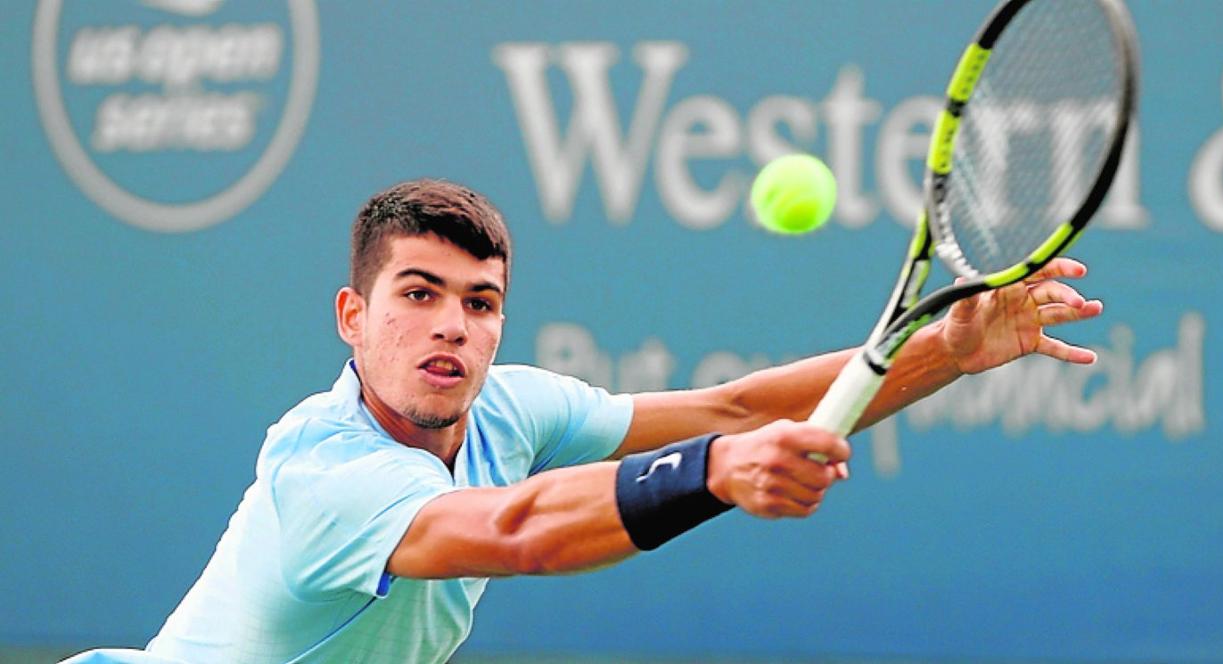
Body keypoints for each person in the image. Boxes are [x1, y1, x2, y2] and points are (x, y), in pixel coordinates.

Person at [65, 178, 1102, 664]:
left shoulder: (510, 404)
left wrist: (950, 352)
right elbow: (517, 532)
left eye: (477, 303)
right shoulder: (323, 469)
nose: (451, 326)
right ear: (353, 317)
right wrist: (715, 471)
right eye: (417, 294)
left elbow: (736, 405)